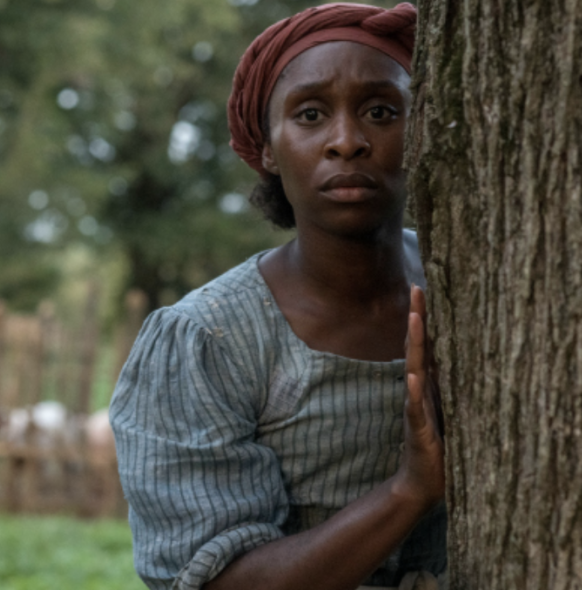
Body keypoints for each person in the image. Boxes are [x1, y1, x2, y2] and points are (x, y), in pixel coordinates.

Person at [109, 3, 446, 589]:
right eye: (310, 114)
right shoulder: (207, 340)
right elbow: (215, 582)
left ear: (421, 131)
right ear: (267, 146)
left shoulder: (460, 284)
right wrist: (409, 491)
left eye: (381, 111)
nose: (347, 141)